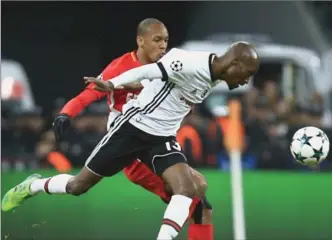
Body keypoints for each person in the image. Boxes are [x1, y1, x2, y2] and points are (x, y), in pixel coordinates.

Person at [2, 40, 259, 239]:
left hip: (162, 138)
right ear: (233, 64)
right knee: (77, 186)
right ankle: (33, 185)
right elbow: (148, 71)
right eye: (246, 74)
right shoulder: (187, 62)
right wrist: (112, 84)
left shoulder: (216, 75)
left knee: (192, 190)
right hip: (132, 129)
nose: (246, 81)